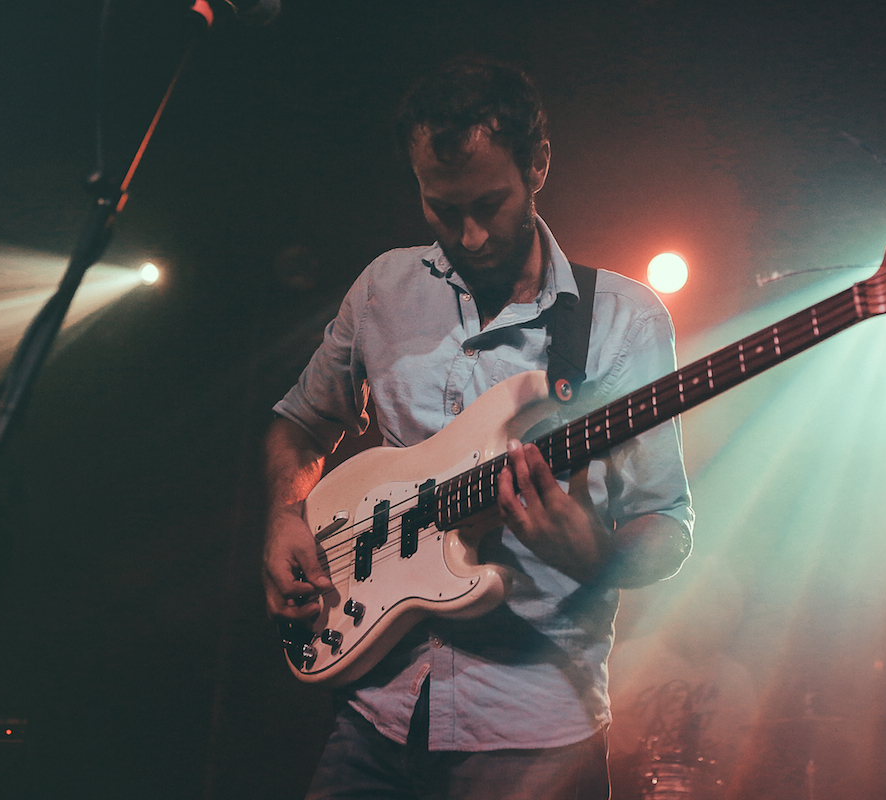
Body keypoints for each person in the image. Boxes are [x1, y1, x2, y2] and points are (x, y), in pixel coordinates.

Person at [262, 58, 695, 800]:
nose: (468, 234)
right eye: (441, 208)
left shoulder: (624, 320)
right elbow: (300, 424)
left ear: (538, 165)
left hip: (534, 735)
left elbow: (667, 523)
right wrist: (283, 513)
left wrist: (595, 557)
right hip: (374, 714)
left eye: (490, 204)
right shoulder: (384, 288)